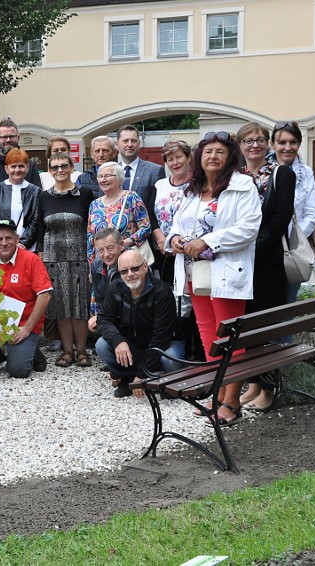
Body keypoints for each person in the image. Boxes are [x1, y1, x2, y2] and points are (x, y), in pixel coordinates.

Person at [166, 131, 261, 427]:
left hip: (227, 274)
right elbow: (175, 224)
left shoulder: (242, 186)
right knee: (209, 336)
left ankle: (231, 401)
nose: (213, 156)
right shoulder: (192, 189)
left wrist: (209, 241)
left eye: (220, 151)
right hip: (196, 273)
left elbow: (248, 228)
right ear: (199, 157)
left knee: (229, 337)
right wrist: (176, 239)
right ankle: (216, 395)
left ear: (230, 156)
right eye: (207, 152)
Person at [237, 122, 296, 413]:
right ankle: (255, 383)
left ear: (268, 144)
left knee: (267, 324)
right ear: (240, 146)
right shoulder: (235, 176)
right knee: (247, 324)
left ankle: (270, 389)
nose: (254, 145)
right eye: (248, 140)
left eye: (260, 140)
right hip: (240, 262)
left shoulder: (281, 173)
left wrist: (256, 246)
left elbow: (282, 215)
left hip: (268, 260)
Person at [96, 250, 184, 398]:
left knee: (171, 358)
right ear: (119, 272)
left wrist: (142, 374)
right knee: (102, 345)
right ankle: (127, 378)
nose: (130, 274)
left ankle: (161, 380)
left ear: (145, 266)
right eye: (124, 271)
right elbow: (104, 319)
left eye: (135, 268)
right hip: (133, 345)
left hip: (163, 344)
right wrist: (118, 340)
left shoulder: (162, 291)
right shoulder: (115, 288)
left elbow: (162, 336)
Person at [0, 219, 52, 378]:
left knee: (17, 371)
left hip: (22, 325)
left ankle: (34, 353)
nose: (4, 243)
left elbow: (45, 295)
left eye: (8, 238)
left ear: (17, 239)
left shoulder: (31, 259)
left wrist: (27, 328)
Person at [35, 153, 94, 368]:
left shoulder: (84, 194)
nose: (60, 170)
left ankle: (82, 351)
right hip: (52, 259)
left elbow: (91, 225)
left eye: (64, 166)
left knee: (79, 306)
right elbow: (40, 228)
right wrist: (41, 255)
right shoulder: (44, 196)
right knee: (61, 306)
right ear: (49, 171)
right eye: (55, 167)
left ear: (71, 167)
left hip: (79, 257)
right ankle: (67, 351)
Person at [269, 121, 315, 303]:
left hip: (292, 251)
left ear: (299, 144)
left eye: (293, 142)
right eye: (282, 142)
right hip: (264, 250)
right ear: (272, 144)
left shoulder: (305, 173)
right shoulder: (263, 171)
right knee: (261, 309)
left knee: (286, 309)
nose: (287, 147)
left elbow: (312, 213)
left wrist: (293, 240)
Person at [146, 140, 193, 283]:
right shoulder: (160, 185)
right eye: (170, 159)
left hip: (189, 250)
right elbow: (151, 215)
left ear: (189, 157)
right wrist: (161, 239)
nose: (175, 162)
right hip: (164, 251)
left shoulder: (198, 184)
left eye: (179, 157)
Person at [86, 161, 151, 263]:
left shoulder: (131, 198)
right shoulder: (94, 205)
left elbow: (146, 227)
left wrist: (124, 243)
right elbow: (90, 237)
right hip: (103, 262)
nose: (103, 180)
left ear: (120, 179)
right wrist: (92, 264)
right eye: (100, 176)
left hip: (128, 261)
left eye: (107, 176)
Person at [0, 148, 41, 250]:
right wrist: (6, 242)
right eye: (13, 166)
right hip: (3, 247)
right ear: (6, 168)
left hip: (26, 248)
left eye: (21, 166)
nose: (17, 170)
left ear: (27, 168)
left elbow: (36, 221)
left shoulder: (35, 191)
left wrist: (22, 243)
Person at [0, 118, 41, 185]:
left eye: (12, 136)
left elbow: (37, 194)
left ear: (18, 138)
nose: (8, 140)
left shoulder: (30, 165)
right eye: (4, 137)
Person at [115, 124, 165, 202]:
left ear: (139, 143)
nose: (130, 144)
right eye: (125, 141)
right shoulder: (111, 171)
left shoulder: (155, 171)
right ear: (117, 145)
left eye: (133, 141)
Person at [88, 227, 123, 332]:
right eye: (101, 250)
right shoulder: (96, 264)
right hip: (110, 319)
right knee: (101, 345)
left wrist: (102, 318)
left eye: (110, 247)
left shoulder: (132, 264)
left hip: (133, 320)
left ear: (121, 245)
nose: (106, 254)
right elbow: (100, 301)